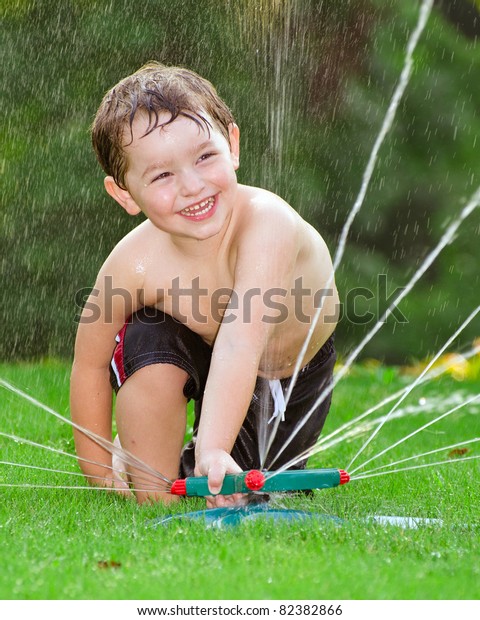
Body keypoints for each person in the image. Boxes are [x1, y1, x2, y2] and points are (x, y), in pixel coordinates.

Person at [70, 62, 339, 507]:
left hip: (285, 374)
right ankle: (151, 491)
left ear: (232, 145)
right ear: (124, 194)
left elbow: (240, 342)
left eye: (204, 157)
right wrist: (97, 471)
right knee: (147, 336)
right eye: (161, 176)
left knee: (255, 487)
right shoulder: (133, 263)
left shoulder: (267, 224)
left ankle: (184, 461)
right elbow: (90, 362)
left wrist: (213, 451)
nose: (192, 186)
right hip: (202, 345)